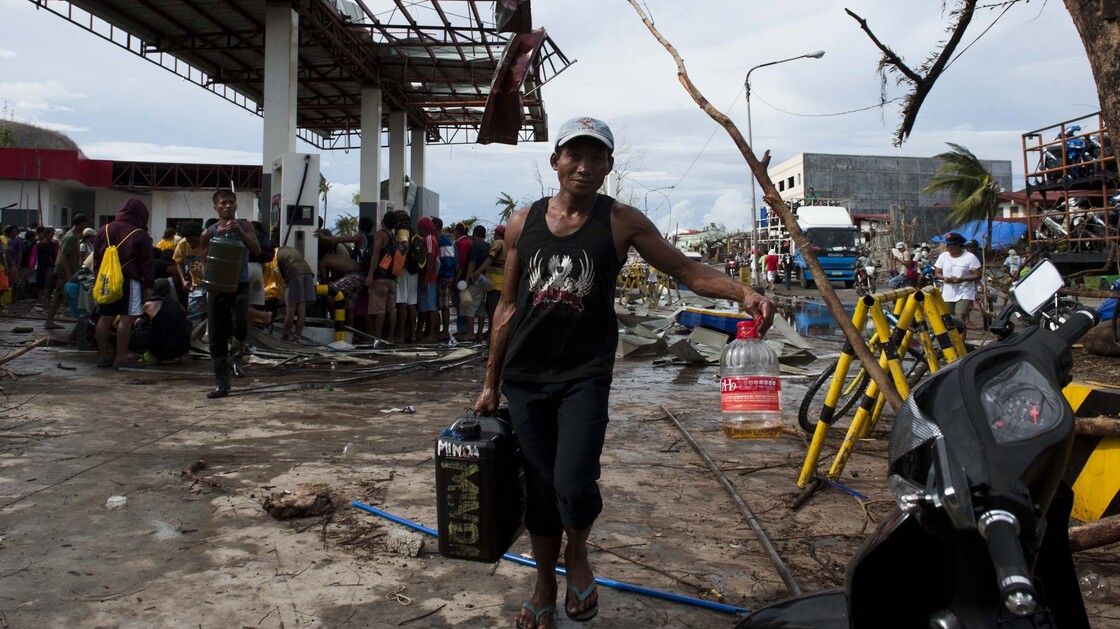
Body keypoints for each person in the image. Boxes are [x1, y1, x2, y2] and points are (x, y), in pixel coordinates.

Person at [471, 116, 774, 629]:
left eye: (596, 158)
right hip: (525, 375)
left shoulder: (621, 222)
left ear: (608, 166)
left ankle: (579, 554)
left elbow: (685, 269)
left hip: (584, 372)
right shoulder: (524, 222)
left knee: (573, 479)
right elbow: (505, 307)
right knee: (540, 487)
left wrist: (742, 293)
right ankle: (544, 581)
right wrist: (489, 383)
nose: (585, 167)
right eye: (575, 156)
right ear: (556, 161)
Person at [200, 189, 260, 398]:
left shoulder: (245, 225)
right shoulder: (210, 232)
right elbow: (205, 258)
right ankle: (222, 383)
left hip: (240, 284)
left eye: (231, 202)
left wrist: (241, 234)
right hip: (217, 287)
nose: (228, 206)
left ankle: (237, 357)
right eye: (223, 203)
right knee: (217, 334)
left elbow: (257, 250)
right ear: (215, 207)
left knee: (240, 324)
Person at [93, 199, 155, 369]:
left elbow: (96, 258)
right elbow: (147, 262)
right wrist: (149, 284)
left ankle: (103, 356)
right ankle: (121, 358)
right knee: (126, 319)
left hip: (106, 279)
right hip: (129, 280)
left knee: (105, 317)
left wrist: (98, 278)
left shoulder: (103, 229)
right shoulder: (139, 233)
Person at [364, 210, 400, 341]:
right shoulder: (393, 237)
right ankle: (390, 337)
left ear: (383, 221)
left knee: (379, 310)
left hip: (380, 278)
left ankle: (377, 338)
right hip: (392, 279)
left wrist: (370, 275)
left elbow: (375, 255)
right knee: (392, 309)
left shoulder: (380, 235)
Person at [934, 232, 982, 328]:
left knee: (960, 319)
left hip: (964, 291)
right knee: (949, 320)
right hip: (948, 292)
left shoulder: (969, 257)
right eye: (946, 244)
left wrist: (962, 279)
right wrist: (944, 278)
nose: (947, 246)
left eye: (949, 244)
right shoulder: (943, 256)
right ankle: (954, 341)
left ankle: (961, 342)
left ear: (958, 245)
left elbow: (977, 275)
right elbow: (937, 273)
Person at [275, 245, 315, 340]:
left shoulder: (274, 254)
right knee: (302, 308)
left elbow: (275, 274)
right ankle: (296, 339)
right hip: (308, 274)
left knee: (291, 308)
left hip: (294, 274)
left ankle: (285, 338)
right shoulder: (290, 249)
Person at [463, 224, 490, 341]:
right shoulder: (488, 245)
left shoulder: (475, 245)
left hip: (475, 278)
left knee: (469, 306)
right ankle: (479, 332)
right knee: (481, 307)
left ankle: (470, 333)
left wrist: (468, 278)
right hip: (486, 279)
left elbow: (472, 262)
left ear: (474, 234)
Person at [416, 216, 440, 341]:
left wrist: (425, 278)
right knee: (427, 306)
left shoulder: (430, 239)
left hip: (428, 277)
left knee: (430, 307)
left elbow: (430, 258)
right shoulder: (431, 238)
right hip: (428, 277)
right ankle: (428, 332)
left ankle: (432, 334)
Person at [434, 217, 456, 340]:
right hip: (440, 276)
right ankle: (440, 330)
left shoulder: (443, 240)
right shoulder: (442, 240)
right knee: (440, 305)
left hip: (443, 277)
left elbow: (448, 260)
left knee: (443, 305)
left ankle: (445, 330)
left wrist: (448, 276)